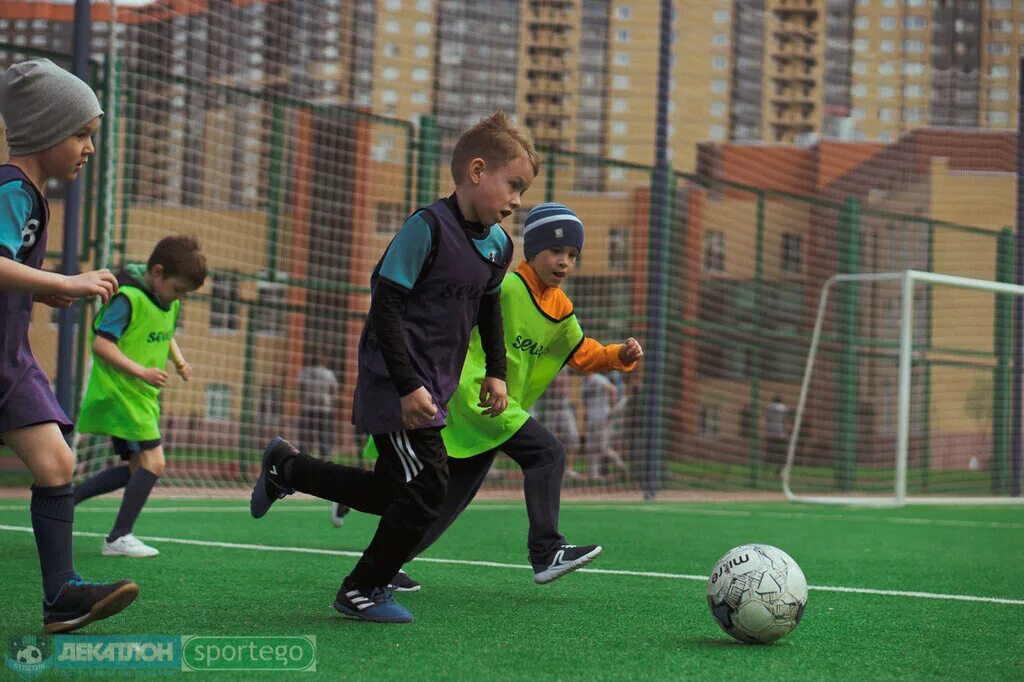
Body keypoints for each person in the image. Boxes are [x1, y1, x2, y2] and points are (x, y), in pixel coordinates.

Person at [249, 110, 537, 623]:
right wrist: (405, 385)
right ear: (477, 171)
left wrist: (497, 370)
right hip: (395, 384)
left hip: (434, 388)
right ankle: (362, 587)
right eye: (513, 186)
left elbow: (488, 309)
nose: (517, 201)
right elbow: (385, 306)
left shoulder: (498, 246)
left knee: (391, 492)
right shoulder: (426, 228)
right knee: (428, 488)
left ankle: (287, 467)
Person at [356, 202, 643, 589]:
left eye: (572, 255)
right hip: (475, 394)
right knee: (548, 454)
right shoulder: (507, 286)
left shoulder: (561, 308)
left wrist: (617, 356)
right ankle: (547, 551)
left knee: (445, 499)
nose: (564, 262)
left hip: (496, 409)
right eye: (556, 252)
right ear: (533, 250)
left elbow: (580, 352)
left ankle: (385, 566)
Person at [0, 58, 139, 632]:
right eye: (81, 133)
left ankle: (61, 595)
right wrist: (62, 281)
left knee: (58, 460)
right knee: (57, 459)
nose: (88, 148)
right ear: (43, 129)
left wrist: (40, 296)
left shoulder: (28, 193)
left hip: (10, 360)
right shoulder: (11, 188)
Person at [73, 235, 207, 558]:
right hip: (123, 393)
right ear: (157, 272)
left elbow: (165, 332)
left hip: (142, 397)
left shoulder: (168, 301)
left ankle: (64, 498)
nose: (179, 298)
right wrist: (142, 371)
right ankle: (118, 537)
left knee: (138, 468)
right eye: (178, 289)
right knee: (155, 463)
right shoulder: (128, 298)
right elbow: (101, 345)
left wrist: (179, 361)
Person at [537, 369, 582, 479]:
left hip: (564, 406)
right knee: (547, 441)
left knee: (573, 437)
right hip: (550, 407)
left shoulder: (566, 367)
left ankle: (570, 470)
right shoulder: (547, 365)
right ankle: (547, 468)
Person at [582, 371, 627, 479]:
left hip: (602, 417)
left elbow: (613, 389)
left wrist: (612, 406)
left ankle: (621, 466)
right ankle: (593, 474)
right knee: (590, 447)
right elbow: (585, 400)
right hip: (592, 417)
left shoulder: (598, 378)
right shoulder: (585, 382)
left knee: (602, 447)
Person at [764, 394, 790, 471]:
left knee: (770, 452)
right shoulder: (784, 408)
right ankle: (779, 469)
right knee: (781, 452)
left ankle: (767, 468)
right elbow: (786, 420)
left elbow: (766, 418)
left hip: (770, 432)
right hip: (780, 432)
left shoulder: (768, 407)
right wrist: (787, 432)